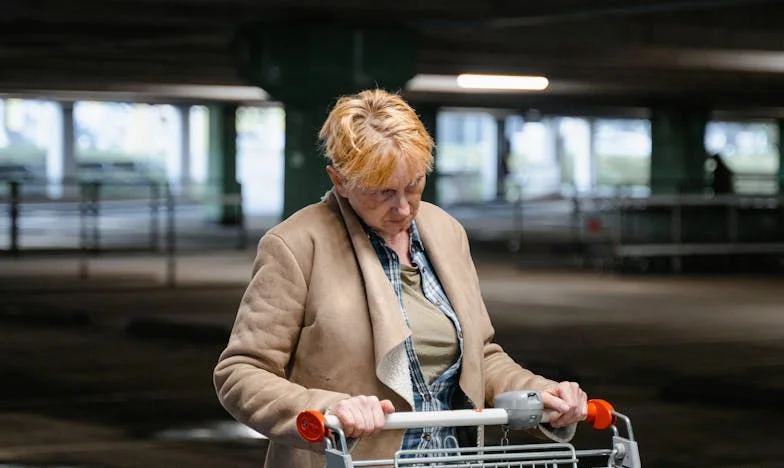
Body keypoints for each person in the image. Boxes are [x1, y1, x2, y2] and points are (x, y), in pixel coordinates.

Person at [213, 89, 588, 467]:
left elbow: (480, 356)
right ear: (339, 180)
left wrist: (539, 392)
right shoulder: (295, 246)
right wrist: (328, 410)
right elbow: (240, 373)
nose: (403, 207)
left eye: (414, 185)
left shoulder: (446, 232)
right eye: (383, 192)